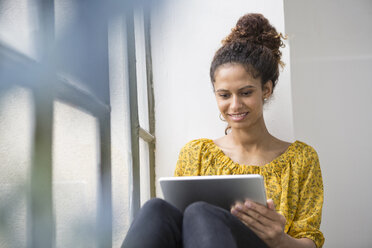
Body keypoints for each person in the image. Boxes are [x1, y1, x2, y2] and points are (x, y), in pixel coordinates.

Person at [122, 13, 324, 248]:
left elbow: (310, 241)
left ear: (266, 90)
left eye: (246, 92)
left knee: (200, 212)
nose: (235, 105)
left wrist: (279, 239)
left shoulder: (301, 159)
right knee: (156, 208)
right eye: (225, 95)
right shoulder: (196, 153)